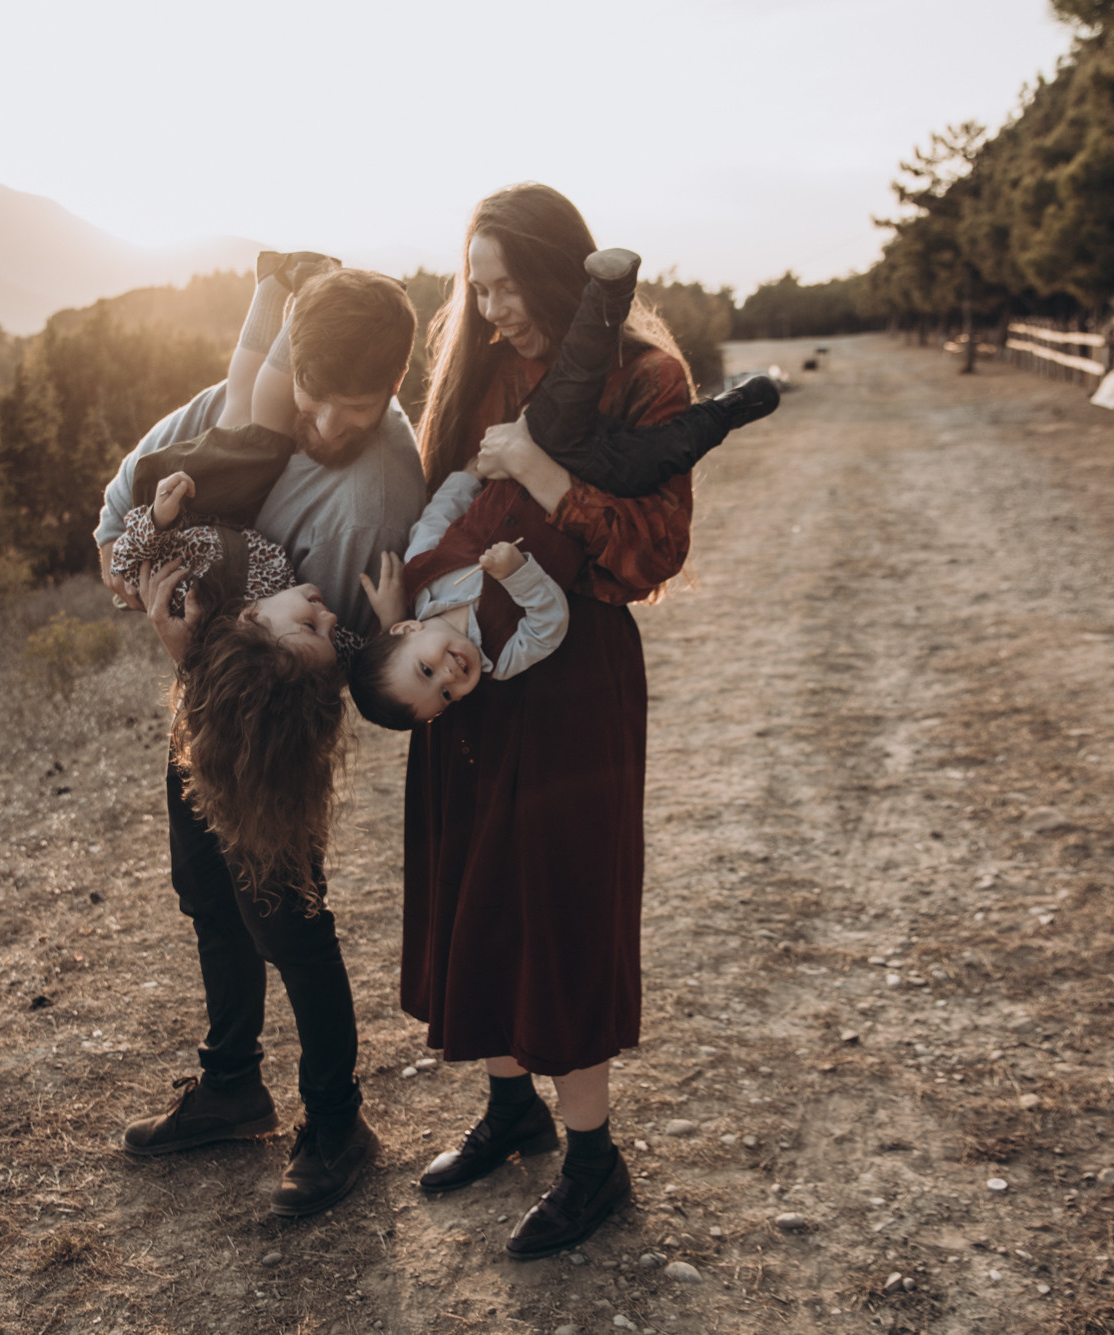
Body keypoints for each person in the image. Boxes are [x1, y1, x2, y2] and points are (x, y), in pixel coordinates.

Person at [399, 183, 708, 1259]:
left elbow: (653, 550)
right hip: (465, 665)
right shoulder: (479, 367)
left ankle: (592, 1160)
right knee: (474, 887)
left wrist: (541, 474)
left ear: (554, 272)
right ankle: (510, 1109)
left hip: (575, 675)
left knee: (561, 902)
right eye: (475, 291)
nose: (490, 314)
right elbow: (435, 504)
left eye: (505, 288)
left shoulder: (648, 377)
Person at [96, 265, 427, 1218]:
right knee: (205, 891)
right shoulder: (271, 406)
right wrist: (152, 587)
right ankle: (232, 1085)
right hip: (206, 703)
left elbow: (331, 658)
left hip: (276, 736)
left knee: (290, 922)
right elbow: (127, 517)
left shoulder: (371, 497)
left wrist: (200, 642)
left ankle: (337, 1122)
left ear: (390, 387)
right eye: (308, 397)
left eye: (348, 411)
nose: (317, 425)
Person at [350, 249, 778, 728]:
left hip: (539, 448)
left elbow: (437, 516)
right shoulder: (503, 658)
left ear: (407, 629)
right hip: (591, 483)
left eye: (426, 670)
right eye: (446, 695)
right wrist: (517, 575)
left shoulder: (420, 578)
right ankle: (726, 411)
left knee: (568, 394)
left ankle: (606, 296)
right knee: (649, 461)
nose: (448, 676)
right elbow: (550, 623)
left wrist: (468, 475)